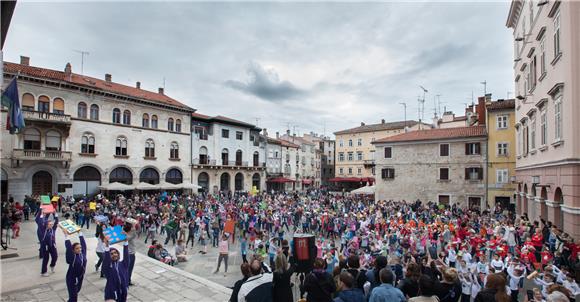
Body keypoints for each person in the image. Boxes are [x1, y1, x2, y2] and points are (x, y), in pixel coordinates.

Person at [102, 238, 129, 302]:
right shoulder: (107, 267)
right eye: (111, 254)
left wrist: (125, 242)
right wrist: (107, 247)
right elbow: (106, 260)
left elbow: (126, 256)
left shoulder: (123, 264)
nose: (114, 254)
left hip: (123, 291)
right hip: (111, 292)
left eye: (115, 253)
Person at [64, 231, 87, 302]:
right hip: (72, 279)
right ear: (73, 250)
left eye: (80, 248)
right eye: (77, 248)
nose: (79, 249)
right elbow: (68, 246)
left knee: (75, 293)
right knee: (74, 297)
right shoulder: (72, 257)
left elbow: (83, 244)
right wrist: (66, 236)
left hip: (80, 277)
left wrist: (80, 233)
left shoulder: (82, 254)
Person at [39, 212, 59, 276]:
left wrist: (55, 213)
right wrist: (41, 213)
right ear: (46, 225)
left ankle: (52, 265)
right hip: (45, 246)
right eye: (50, 224)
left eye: (51, 224)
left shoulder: (53, 229)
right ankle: (43, 272)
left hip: (53, 245)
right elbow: (40, 222)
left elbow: (56, 221)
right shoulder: (43, 230)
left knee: (55, 256)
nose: (51, 225)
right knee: (46, 259)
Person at [123, 222, 136, 286]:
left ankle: (127, 280)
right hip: (130, 254)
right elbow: (134, 234)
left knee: (128, 268)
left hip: (127, 253)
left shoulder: (126, 235)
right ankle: (127, 281)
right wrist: (133, 226)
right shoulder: (129, 236)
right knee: (129, 269)